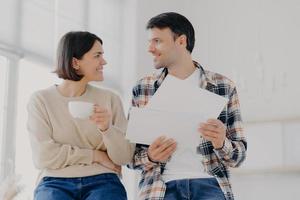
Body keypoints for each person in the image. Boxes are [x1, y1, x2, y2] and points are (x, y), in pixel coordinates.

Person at [128, 12, 247, 200]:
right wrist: (150, 156)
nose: (150, 48)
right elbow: (130, 157)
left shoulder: (223, 86)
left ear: (181, 41)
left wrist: (221, 142)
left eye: (157, 41)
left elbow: (238, 157)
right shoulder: (143, 88)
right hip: (160, 188)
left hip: (209, 184)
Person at [27, 31, 135, 200]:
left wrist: (107, 129)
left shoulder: (110, 99)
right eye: (97, 55)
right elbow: (43, 156)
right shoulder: (41, 100)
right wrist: (96, 155)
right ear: (75, 62)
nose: (104, 61)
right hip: (54, 181)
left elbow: (124, 157)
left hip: (103, 180)